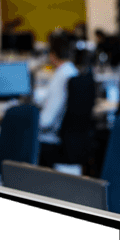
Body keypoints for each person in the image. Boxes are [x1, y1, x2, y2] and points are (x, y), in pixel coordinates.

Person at [37, 34, 80, 167]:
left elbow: (45, 121)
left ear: (52, 54)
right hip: (71, 140)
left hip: (52, 140)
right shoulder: (73, 72)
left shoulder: (60, 76)